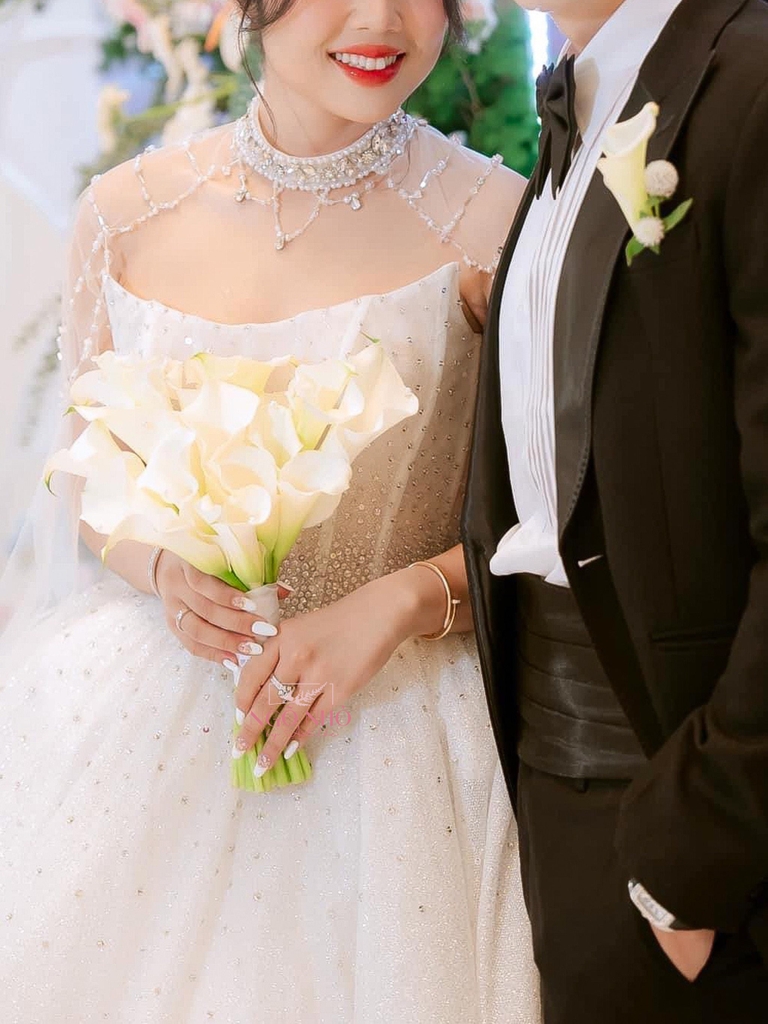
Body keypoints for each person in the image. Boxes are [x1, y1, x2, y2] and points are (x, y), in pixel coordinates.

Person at [0, 1, 541, 1021]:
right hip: (154, 718)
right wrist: (163, 568)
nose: (382, 19)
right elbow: (86, 470)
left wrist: (402, 600)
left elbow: (557, 518)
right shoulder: (123, 215)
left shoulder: (496, 222)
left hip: (406, 735)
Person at [461, 0, 768, 1020]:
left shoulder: (751, 80)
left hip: (699, 825)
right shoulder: (587, 92)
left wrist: (706, 836)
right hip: (557, 789)